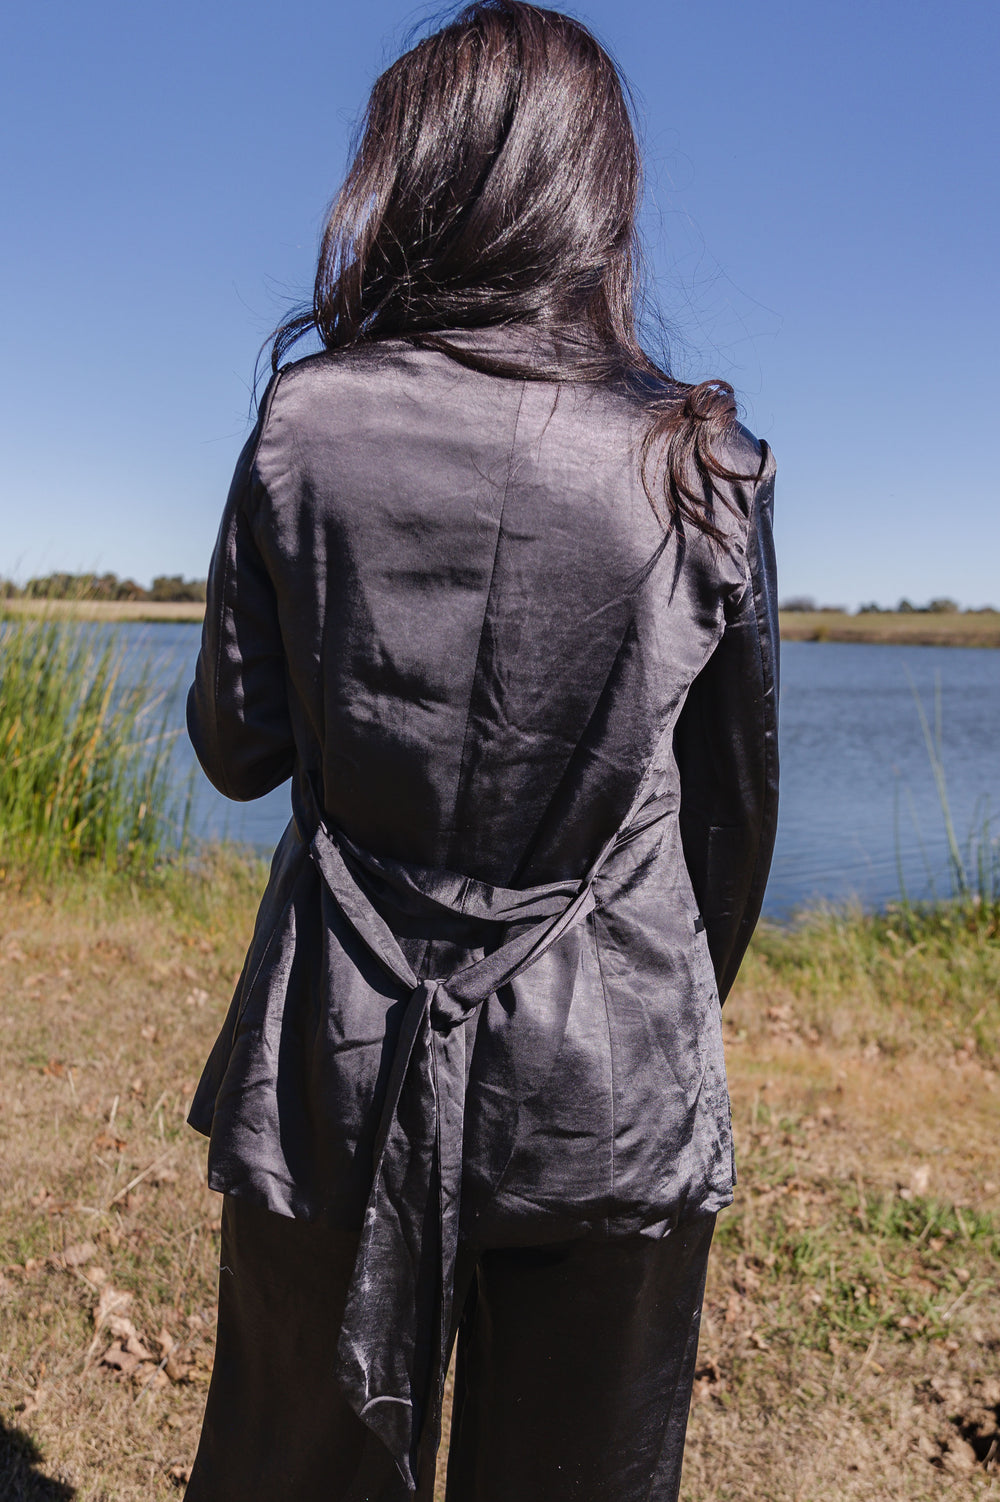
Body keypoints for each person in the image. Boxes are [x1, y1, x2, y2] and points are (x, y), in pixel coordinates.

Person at [182, 2, 778, 1499]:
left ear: (415, 173)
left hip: (333, 1054)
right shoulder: (701, 462)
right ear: (598, 197)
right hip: (613, 1076)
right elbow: (736, 823)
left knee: (289, 1474)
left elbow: (236, 746)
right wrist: (648, 1010)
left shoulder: (302, 425)